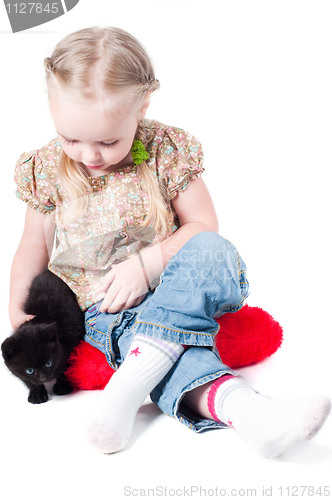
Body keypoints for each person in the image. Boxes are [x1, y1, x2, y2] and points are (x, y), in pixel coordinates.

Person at [10, 26, 330, 457]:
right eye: (71, 139)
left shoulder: (164, 150)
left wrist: (146, 265)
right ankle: (250, 415)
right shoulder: (47, 168)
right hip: (107, 308)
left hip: (178, 289)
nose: (89, 156)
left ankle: (136, 371)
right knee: (172, 351)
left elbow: (203, 225)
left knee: (214, 250)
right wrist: (18, 309)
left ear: (141, 106)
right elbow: (33, 244)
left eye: (107, 141)